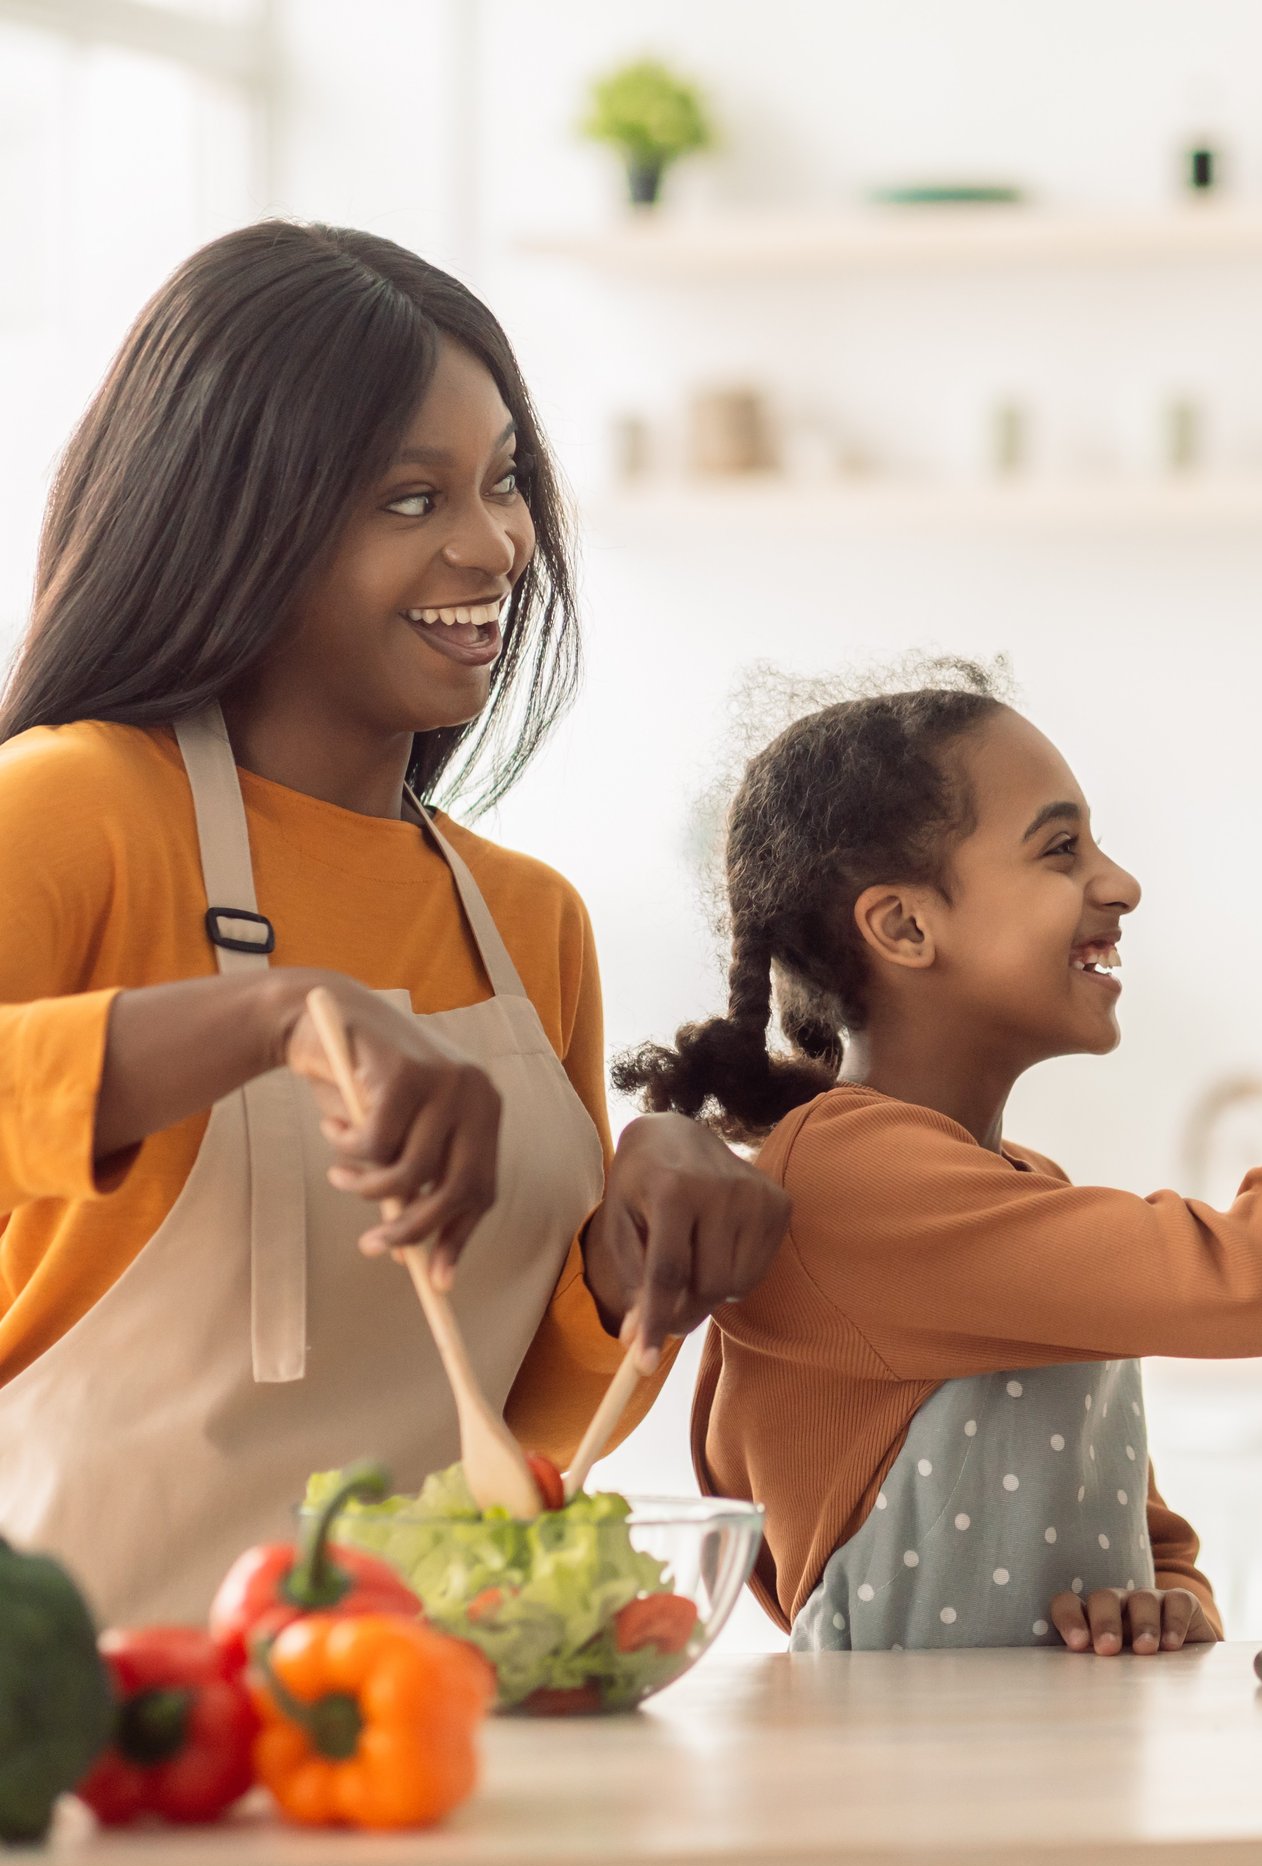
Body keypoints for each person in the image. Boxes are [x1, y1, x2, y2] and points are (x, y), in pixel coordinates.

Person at [0, 221, 788, 1626]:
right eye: (409, 499)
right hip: (91, 1749)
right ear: (240, 519)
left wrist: (638, 1234)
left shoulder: (525, 920)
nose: (493, 545)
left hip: (414, 1725)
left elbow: (523, 1432)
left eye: (502, 484)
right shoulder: (69, 810)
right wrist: (267, 1014)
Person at [619, 664, 1262, 1653]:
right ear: (904, 925)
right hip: (889, 1794)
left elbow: (1149, 1539)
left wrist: (1165, 1601)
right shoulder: (847, 1181)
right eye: (1058, 849)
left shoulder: (1011, 1184)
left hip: (1039, 1781)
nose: (1118, 883)